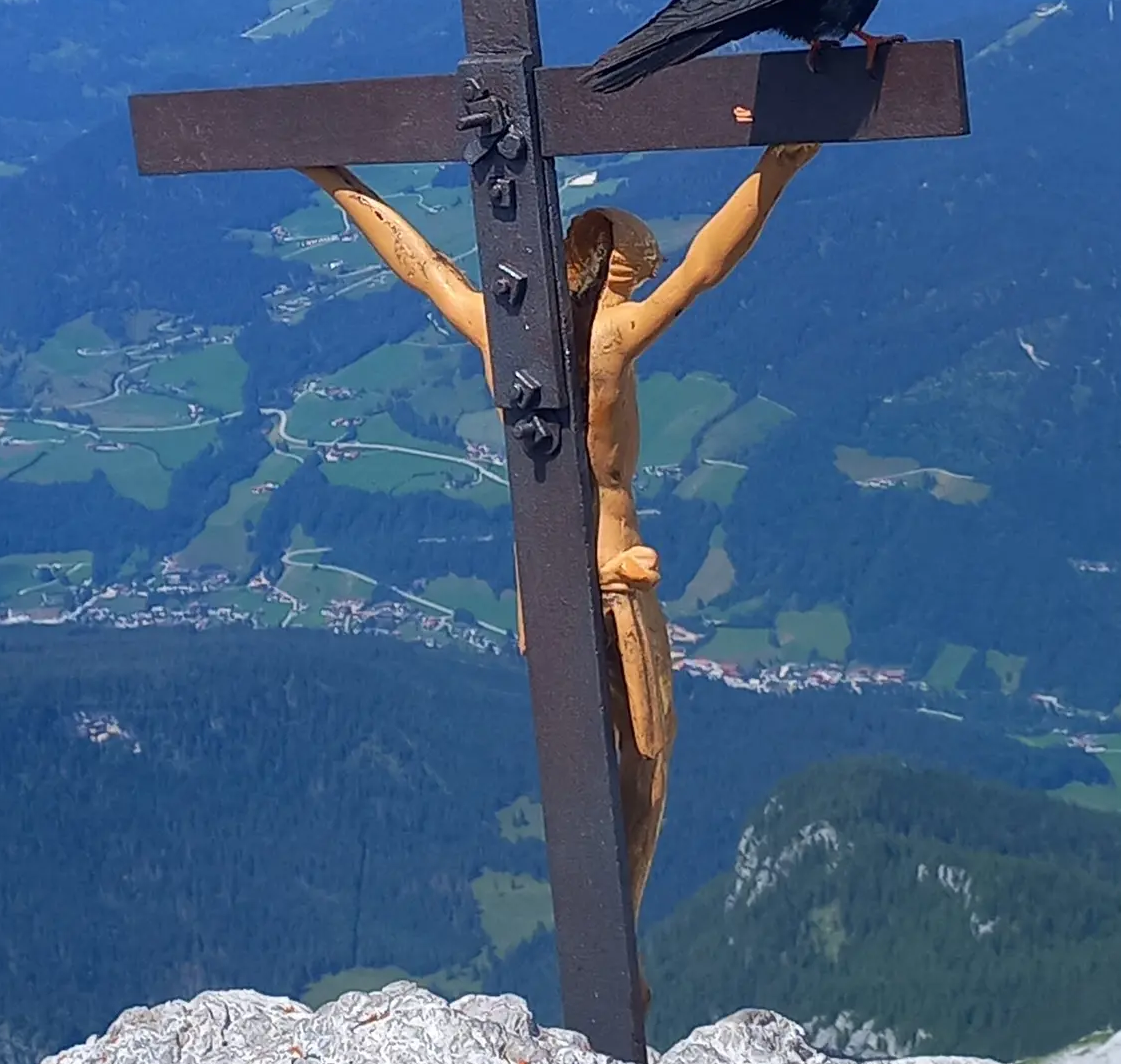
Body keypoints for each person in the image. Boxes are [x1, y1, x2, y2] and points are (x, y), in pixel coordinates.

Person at [300, 142, 819, 919]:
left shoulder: (505, 334)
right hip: (613, 561)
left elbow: (421, 263)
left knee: (576, 746)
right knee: (647, 749)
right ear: (617, 267)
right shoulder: (614, 336)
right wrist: (773, 174)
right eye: (637, 267)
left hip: (539, 565)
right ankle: (616, 920)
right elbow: (706, 268)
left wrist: (337, 179)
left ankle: (598, 919)